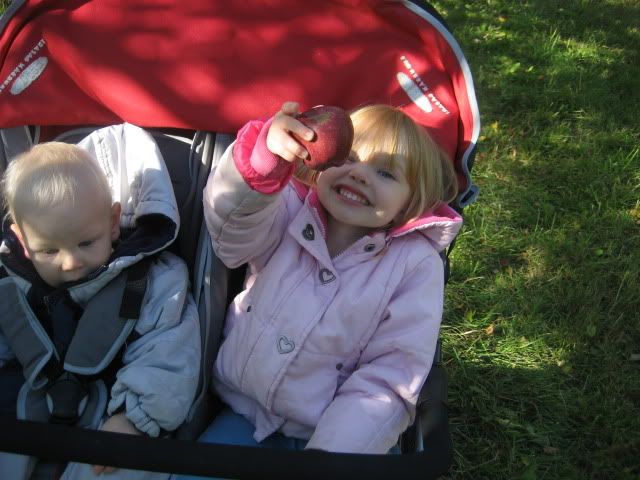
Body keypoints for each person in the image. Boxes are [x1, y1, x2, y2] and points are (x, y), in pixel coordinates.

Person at [191, 101, 463, 464]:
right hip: (241, 411)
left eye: (385, 173)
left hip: (335, 439)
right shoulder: (288, 208)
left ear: (408, 203)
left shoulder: (414, 265)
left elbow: (390, 376)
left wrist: (330, 460)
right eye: (347, 157)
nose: (359, 173)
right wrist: (263, 165)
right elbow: (231, 234)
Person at [0, 124, 201, 480]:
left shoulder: (152, 282)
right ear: (24, 242)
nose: (70, 263)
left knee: (126, 467)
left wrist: (134, 417)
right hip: (23, 411)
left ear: (112, 223)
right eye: (49, 250)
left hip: (114, 413)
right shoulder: (10, 286)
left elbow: (168, 353)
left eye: (86, 243)